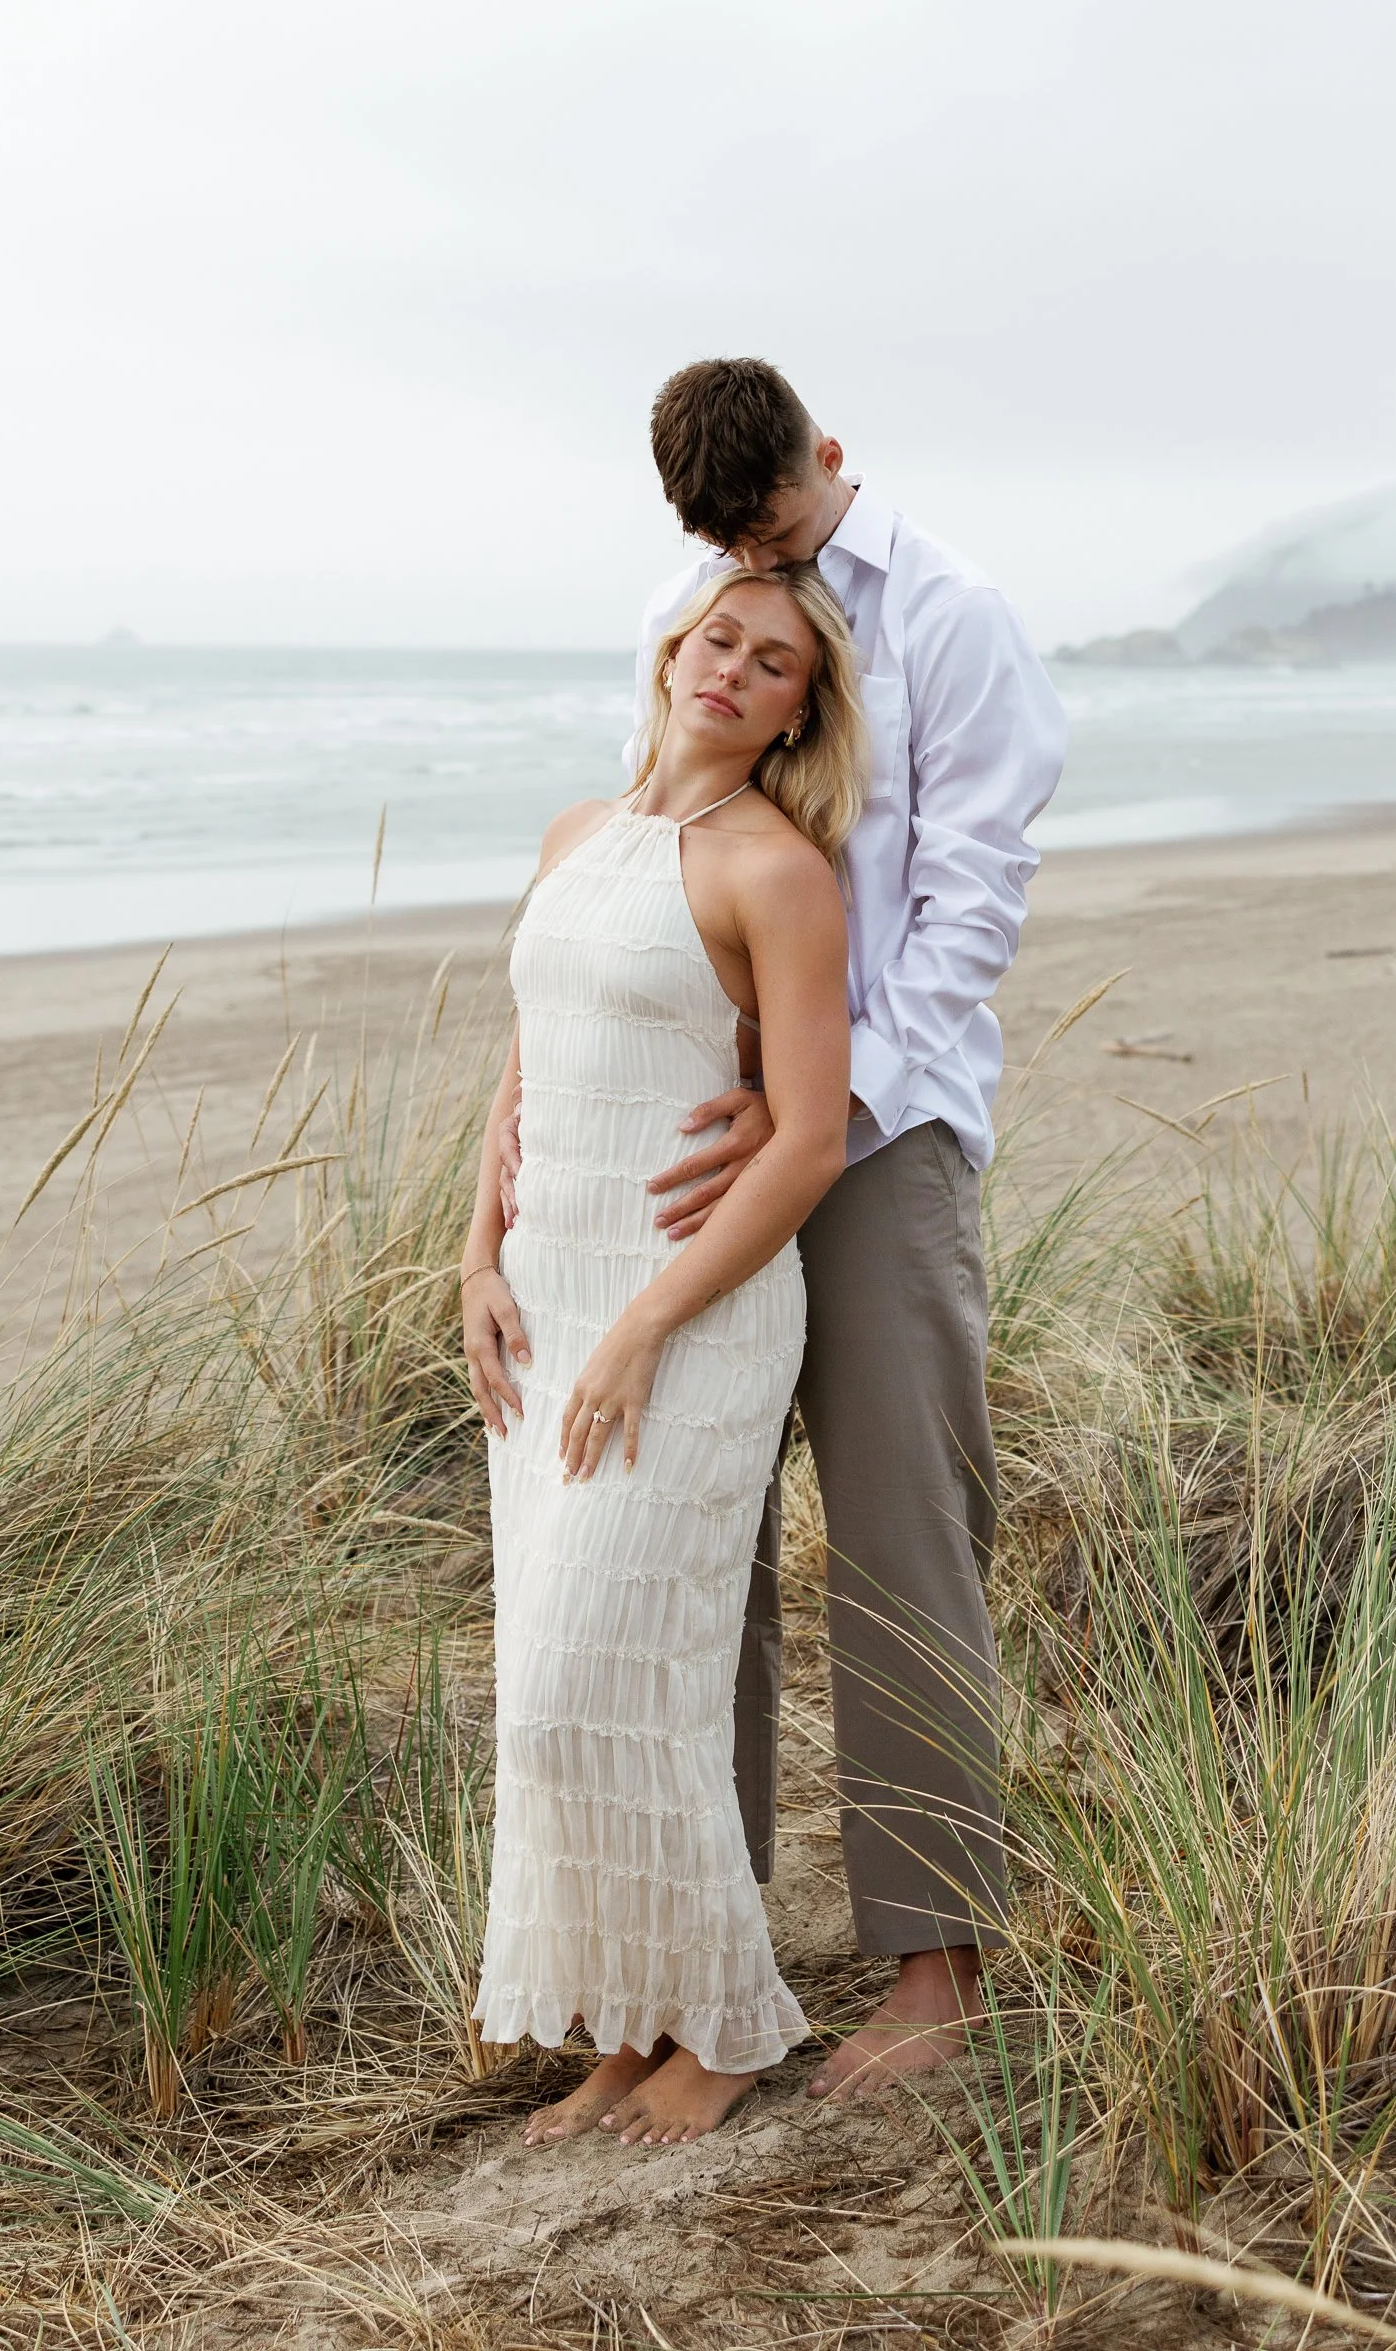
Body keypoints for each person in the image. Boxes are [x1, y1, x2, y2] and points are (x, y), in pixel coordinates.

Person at [630, 358, 1068, 2103]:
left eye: (785, 523)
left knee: (902, 1536)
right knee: (696, 1542)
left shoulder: (955, 620)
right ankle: (698, 1957)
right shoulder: (697, 604)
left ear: (833, 455)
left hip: (879, 1143)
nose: (764, 560)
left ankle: (940, 1969)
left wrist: (827, 1107)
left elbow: (969, 913)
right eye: (734, 542)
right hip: (708, 1144)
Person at [460, 562, 868, 2145]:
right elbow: (522, 1074)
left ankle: (728, 2027)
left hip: (684, 1321)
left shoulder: (776, 871)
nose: (736, 670)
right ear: (672, 654)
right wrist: (473, 1260)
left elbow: (812, 1140)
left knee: (606, 1687)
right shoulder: (580, 835)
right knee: (557, 1694)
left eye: (773, 664)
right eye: (720, 640)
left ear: (792, 712)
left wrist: (642, 1327)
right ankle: (629, 2031)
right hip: (544, 1306)